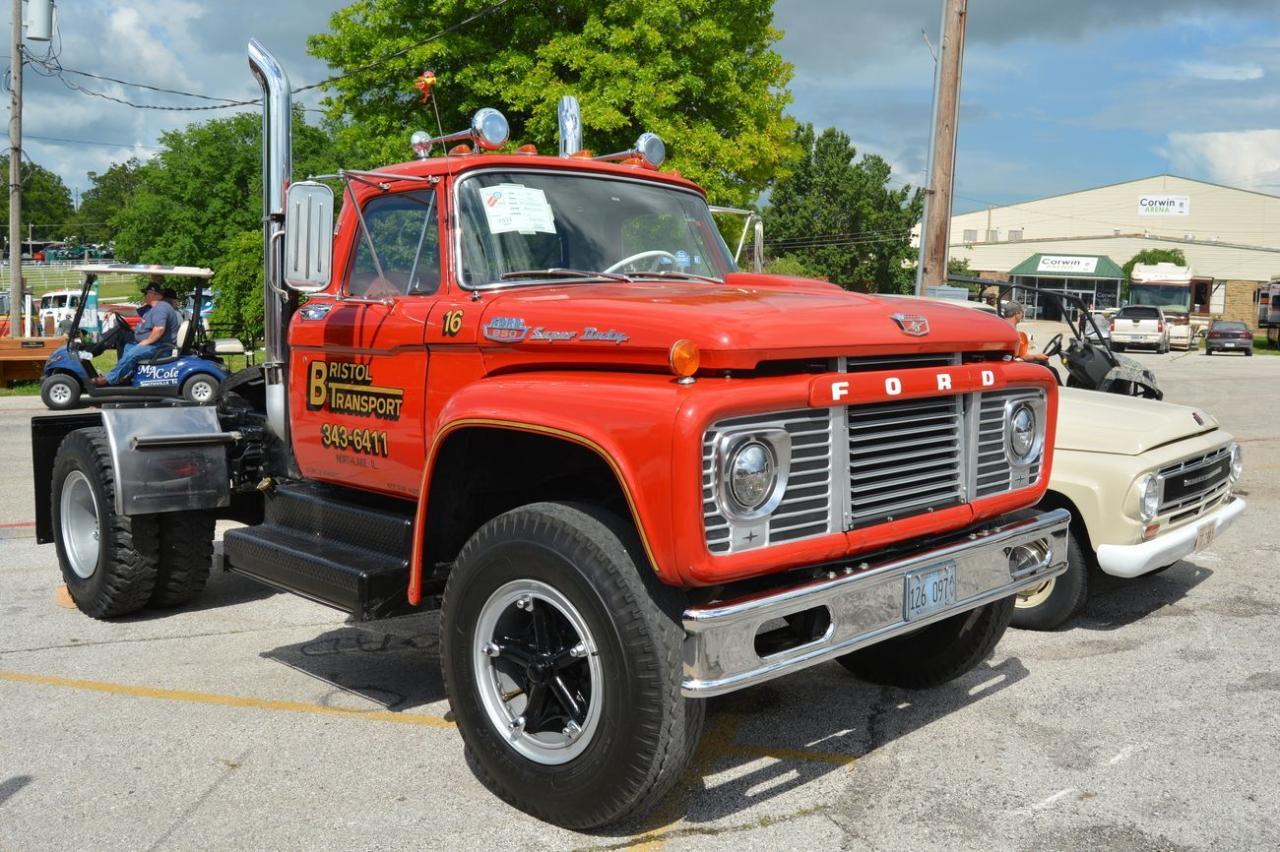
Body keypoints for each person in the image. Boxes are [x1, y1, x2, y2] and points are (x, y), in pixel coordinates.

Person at [94, 281, 180, 386]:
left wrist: (146, 342)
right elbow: (133, 312)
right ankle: (125, 376)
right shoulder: (151, 308)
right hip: (155, 345)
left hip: (161, 347)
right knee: (128, 346)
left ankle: (109, 379)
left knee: (133, 352)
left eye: (146, 293)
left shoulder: (161, 308)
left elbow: (159, 329)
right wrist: (114, 310)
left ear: (154, 294)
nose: (144, 296)